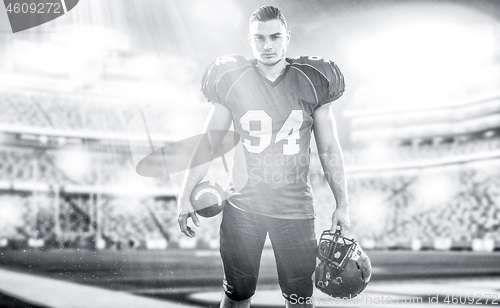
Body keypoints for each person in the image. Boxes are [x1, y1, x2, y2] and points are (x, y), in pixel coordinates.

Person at [177, 6, 350, 308]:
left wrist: (343, 204)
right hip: (243, 207)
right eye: (259, 38)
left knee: (300, 301)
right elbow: (209, 143)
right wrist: (184, 195)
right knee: (237, 296)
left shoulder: (312, 78)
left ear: (287, 38)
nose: (267, 45)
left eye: (274, 37)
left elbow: (329, 149)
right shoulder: (231, 78)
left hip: (295, 208)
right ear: (249, 40)